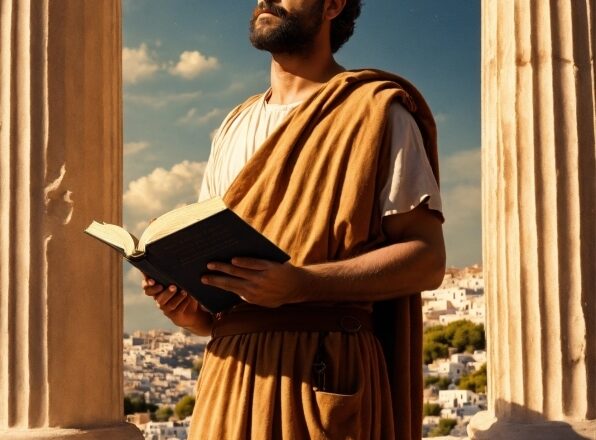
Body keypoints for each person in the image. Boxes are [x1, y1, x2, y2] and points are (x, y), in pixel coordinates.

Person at [142, 1, 446, 438]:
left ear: (333, 5)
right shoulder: (233, 125)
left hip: (324, 373)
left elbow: (427, 259)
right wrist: (190, 312)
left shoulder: (377, 112)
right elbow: (220, 296)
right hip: (228, 380)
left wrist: (302, 284)